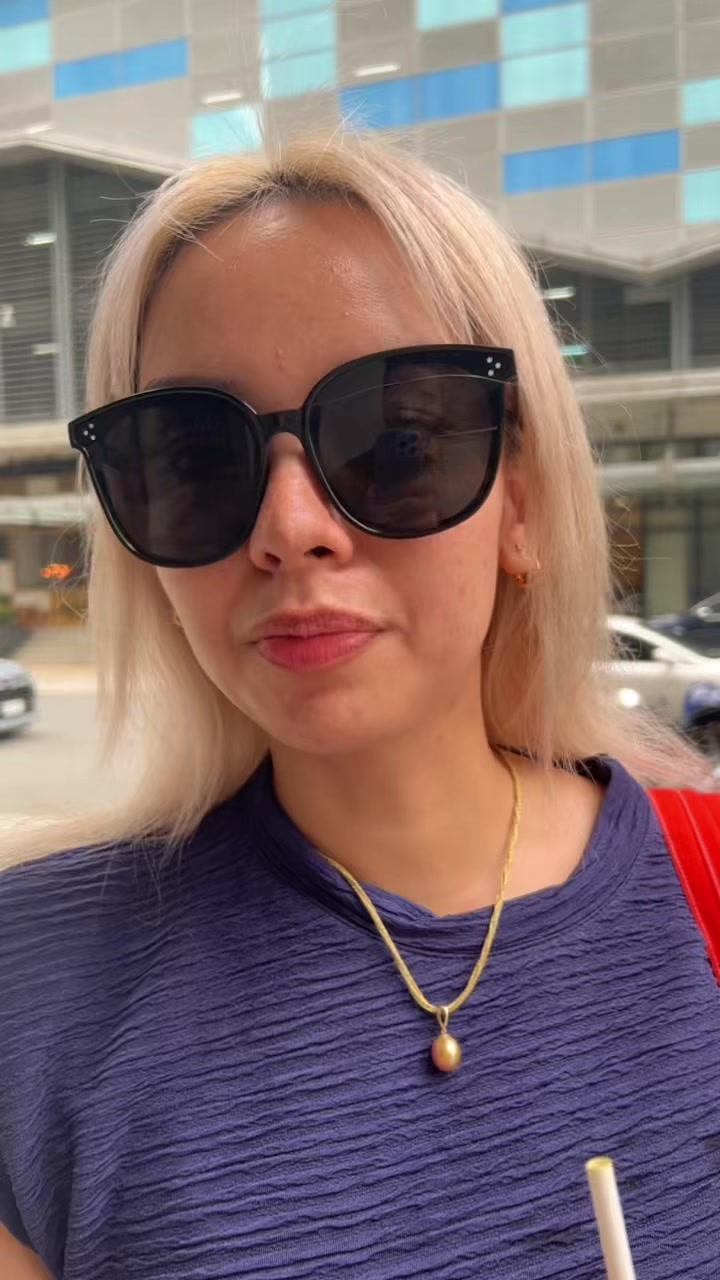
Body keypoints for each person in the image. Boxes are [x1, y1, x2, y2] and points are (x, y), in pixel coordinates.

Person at [0, 132, 717, 1280]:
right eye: (194, 459)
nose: (291, 528)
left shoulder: (704, 880)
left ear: (522, 503)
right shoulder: (31, 985)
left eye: (396, 441)